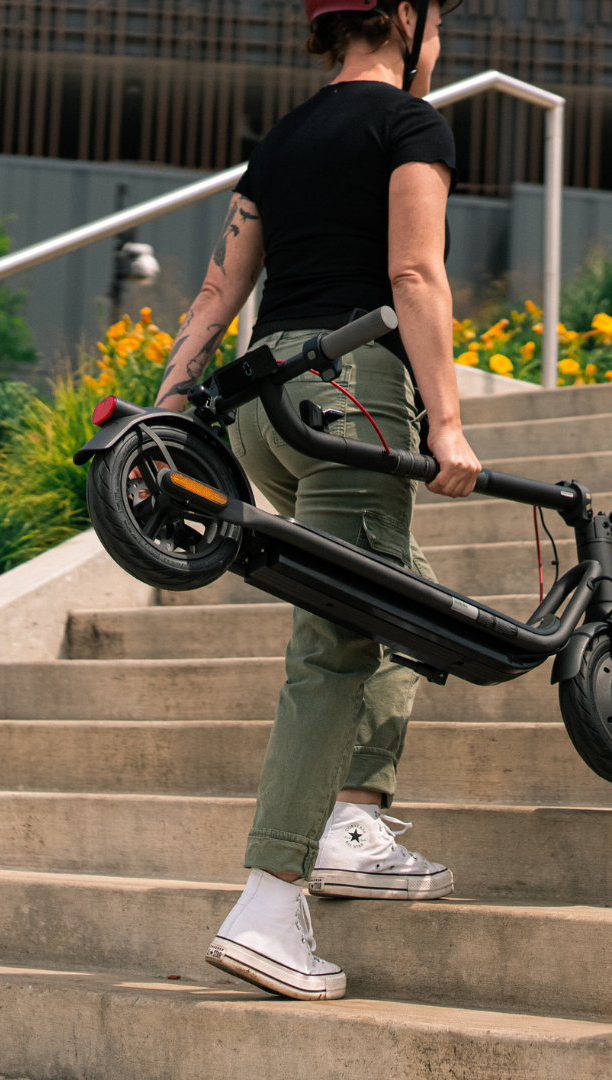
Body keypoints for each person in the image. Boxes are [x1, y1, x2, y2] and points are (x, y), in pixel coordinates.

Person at [151, 0, 480, 1001]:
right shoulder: (411, 124)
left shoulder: (280, 141)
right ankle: (269, 896)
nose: (446, 45)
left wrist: (165, 415)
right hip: (350, 398)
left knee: (400, 599)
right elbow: (413, 271)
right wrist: (452, 423)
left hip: (265, 410)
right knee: (337, 641)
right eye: (443, 26)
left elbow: (216, 297)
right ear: (410, 25)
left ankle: (352, 819)